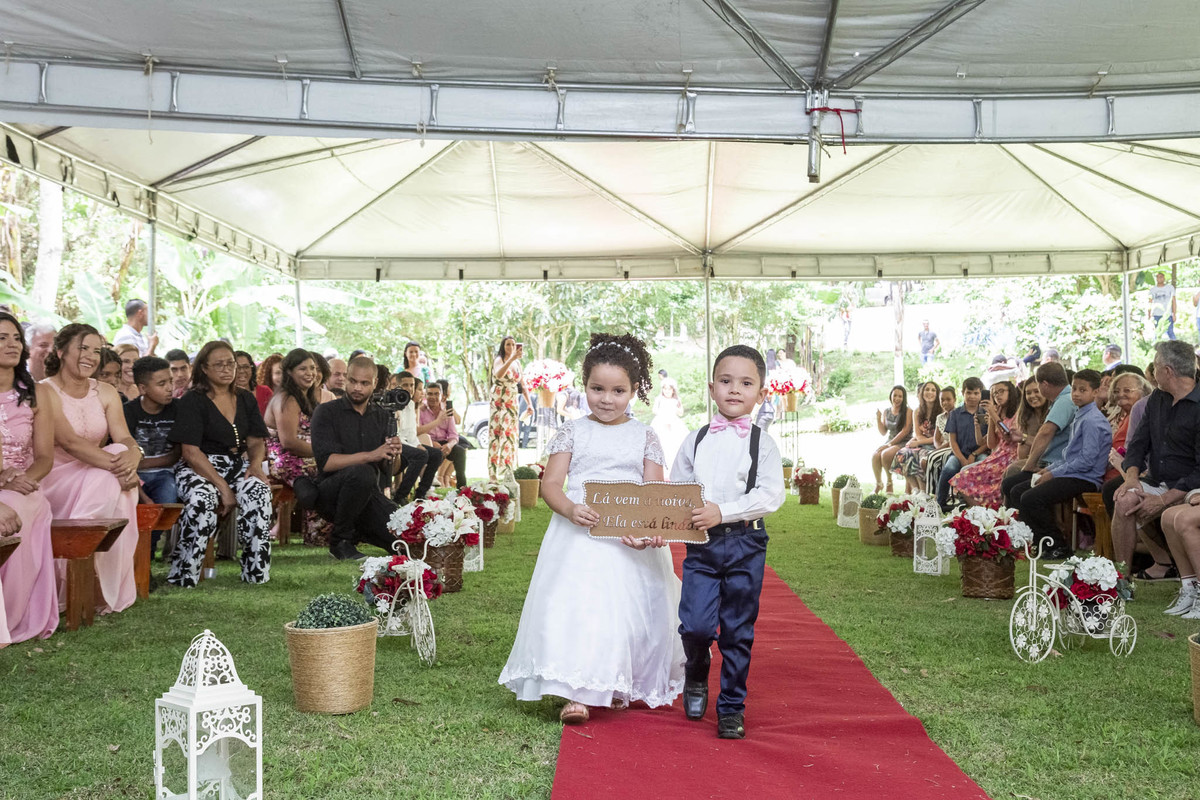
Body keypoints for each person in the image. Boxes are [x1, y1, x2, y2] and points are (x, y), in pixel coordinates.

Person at [499, 333, 683, 725]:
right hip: (578, 534)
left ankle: (613, 682)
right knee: (578, 608)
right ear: (584, 387)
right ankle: (576, 693)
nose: (606, 398)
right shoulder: (572, 431)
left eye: (618, 390)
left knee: (621, 613)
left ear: (634, 390)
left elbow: (654, 492)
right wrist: (569, 508)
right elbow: (550, 484)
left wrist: (646, 528)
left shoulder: (645, 436)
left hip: (626, 538)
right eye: (597, 388)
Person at [671, 344, 785, 740]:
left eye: (746, 382)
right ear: (711, 388)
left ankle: (732, 706)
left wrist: (726, 510)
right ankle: (697, 673)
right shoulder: (696, 439)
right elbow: (677, 489)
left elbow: (771, 496)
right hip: (700, 545)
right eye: (725, 381)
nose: (735, 389)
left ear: (761, 393)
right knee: (696, 625)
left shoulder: (763, 444)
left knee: (738, 629)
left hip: (745, 544)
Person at [39, 323, 141, 614]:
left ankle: (92, 577)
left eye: (96, 350)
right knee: (112, 479)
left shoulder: (106, 391)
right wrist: (122, 470)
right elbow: (69, 442)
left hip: (99, 476)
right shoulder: (44, 391)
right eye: (83, 348)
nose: (91, 356)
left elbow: (122, 437)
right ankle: (87, 578)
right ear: (61, 351)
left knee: (118, 455)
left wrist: (133, 455)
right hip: (56, 477)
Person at [167, 341, 273, 587]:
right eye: (219, 365)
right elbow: (191, 452)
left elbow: (257, 441)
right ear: (204, 368)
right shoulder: (192, 400)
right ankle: (184, 574)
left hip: (237, 465)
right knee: (203, 498)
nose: (227, 369)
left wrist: (255, 465)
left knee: (258, 491)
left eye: (230, 364)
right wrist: (223, 488)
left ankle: (255, 573)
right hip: (200, 466)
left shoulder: (245, 398)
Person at [1108, 340, 1200, 579]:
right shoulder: (1158, 398)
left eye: (1156, 366)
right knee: (1124, 499)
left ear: (1167, 371)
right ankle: (1122, 580)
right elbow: (1138, 443)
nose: (1153, 371)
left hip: (1193, 486)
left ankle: (1184, 577)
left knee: (1155, 504)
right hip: (1159, 479)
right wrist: (1130, 478)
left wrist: (1163, 500)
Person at [309, 355, 404, 560]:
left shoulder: (382, 416)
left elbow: (391, 470)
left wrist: (394, 453)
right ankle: (341, 541)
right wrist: (371, 455)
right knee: (363, 472)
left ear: (375, 383)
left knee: (404, 541)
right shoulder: (326, 412)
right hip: (330, 492)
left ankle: (362, 531)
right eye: (352, 381)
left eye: (364, 383)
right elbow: (326, 463)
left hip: (369, 495)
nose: (357, 388)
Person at [1009, 370, 1112, 558]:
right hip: (1072, 472)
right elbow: (1068, 456)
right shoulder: (1081, 414)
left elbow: (1086, 461)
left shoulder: (1093, 420)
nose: (1076, 394)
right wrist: (1048, 469)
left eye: (1083, 390)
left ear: (1096, 392)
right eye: (1074, 389)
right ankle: (1038, 543)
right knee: (1018, 491)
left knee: (1031, 498)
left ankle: (1058, 546)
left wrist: (1052, 474)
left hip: (1085, 477)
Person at [0, 311, 58, 642]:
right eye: (1, 338)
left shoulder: (38, 394)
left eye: (15, 338)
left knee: (16, 509)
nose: (11, 344)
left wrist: (23, 480)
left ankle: (12, 617)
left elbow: (46, 457)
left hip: (26, 484)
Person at [264, 349, 332, 547]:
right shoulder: (287, 399)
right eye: (303, 369)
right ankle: (317, 536)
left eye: (313, 368)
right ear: (290, 373)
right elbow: (289, 442)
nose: (310, 373)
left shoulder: (306, 397)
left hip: (306, 457)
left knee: (337, 471)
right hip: (283, 460)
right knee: (324, 474)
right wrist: (322, 453)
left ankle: (328, 534)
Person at [124, 356, 180, 558]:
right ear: (143, 388)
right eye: (162, 383)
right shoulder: (128, 412)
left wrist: (145, 462)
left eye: (170, 381)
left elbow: (176, 455)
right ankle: (136, 554)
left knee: (167, 498)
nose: (169, 388)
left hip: (165, 474)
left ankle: (148, 550)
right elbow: (124, 458)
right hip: (131, 476)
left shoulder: (178, 409)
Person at [1000, 362, 1076, 509]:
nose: (1034, 395)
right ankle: (1013, 525)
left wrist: (1029, 465)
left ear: (1045, 384)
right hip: (1051, 461)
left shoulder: (1065, 400)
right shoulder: (1061, 399)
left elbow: (1046, 432)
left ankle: (1034, 530)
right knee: (1010, 483)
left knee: (1016, 488)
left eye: (1037, 388)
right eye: (1028, 393)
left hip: (1058, 463)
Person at [948, 381, 1019, 506]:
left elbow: (1008, 435)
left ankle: (988, 514)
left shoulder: (1017, 413)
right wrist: (979, 425)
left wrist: (992, 414)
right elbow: (990, 443)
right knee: (960, 479)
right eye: (994, 393)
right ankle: (983, 513)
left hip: (1010, 458)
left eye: (1001, 391)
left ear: (1011, 392)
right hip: (998, 456)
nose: (997, 395)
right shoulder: (997, 412)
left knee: (964, 477)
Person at [936, 378, 986, 511]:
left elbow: (988, 441)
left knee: (980, 469)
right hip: (959, 453)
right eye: (969, 393)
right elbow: (952, 441)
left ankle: (974, 503)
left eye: (976, 393)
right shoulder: (955, 414)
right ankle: (939, 503)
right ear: (963, 393)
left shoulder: (985, 414)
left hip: (980, 453)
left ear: (981, 394)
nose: (972, 397)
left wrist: (974, 454)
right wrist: (963, 459)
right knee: (949, 469)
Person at [488, 336, 533, 486]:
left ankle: (508, 470)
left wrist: (529, 403)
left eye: (513, 344)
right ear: (503, 346)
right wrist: (511, 358)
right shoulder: (499, 359)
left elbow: (523, 384)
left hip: (512, 399)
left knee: (510, 435)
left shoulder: (518, 363)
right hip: (499, 398)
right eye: (508, 344)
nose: (511, 346)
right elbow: (498, 375)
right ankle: (492, 473)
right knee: (496, 434)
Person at [394, 371, 443, 503]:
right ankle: (400, 496)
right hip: (396, 443)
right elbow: (397, 434)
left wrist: (417, 444)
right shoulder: (394, 404)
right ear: (398, 386)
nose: (409, 388)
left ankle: (421, 494)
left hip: (408, 442)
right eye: (405, 385)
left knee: (436, 454)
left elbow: (411, 433)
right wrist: (415, 447)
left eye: (412, 385)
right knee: (421, 455)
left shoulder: (410, 404)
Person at [1102, 372, 1152, 483]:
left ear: (1143, 392)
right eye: (1116, 391)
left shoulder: (1143, 414)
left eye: (1127, 390)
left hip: (1131, 473)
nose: (1120, 394)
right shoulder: (1123, 416)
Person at [892, 381, 939, 493]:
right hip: (922, 442)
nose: (930, 392)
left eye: (933, 390)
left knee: (918, 455)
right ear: (922, 393)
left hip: (936, 445)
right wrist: (918, 442)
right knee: (902, 453)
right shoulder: (917, 411)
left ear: (937, 394)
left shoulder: (941, 410)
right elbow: (917, 434)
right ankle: (915, 490)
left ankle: (923, 492)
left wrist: (918, 443)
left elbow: (939, 438)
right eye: (927, 389)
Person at [418, 380, 466, 490]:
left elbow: (454, 435)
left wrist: (449, 445)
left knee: (460, 451)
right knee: (430, 452)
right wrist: (432, 443)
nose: (433, 397)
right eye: (430, 394)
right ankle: (425, 488)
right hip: (428, 443)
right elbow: (419, 432)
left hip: (444, 444)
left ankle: (462, 488)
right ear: (425, 395)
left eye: (436, 394)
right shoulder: (421, 410)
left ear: (442, 396)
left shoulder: (447, 410)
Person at [872, 386, 912, 494]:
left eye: (900, 396)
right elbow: (883, 432)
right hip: (890, 440)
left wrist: (889, 445)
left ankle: (889, 482)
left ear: (904, 398)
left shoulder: (908, 411)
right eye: (895, 395)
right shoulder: (887, 411)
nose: (897, 398)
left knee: (885, 454)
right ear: (891, 396)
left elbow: (905, 431)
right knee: (875, 455)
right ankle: (879, 484)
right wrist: (878, 419)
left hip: (904, 441)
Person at [1006, 379, 1050, 477]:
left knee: (1012, 470)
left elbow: (1050, 445)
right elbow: (1022, 452)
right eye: (1028, 393)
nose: (1032, 396)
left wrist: (1025, 438)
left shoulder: (1053, 413)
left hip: (1050, 460)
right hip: (1030, 461)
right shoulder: (1026, 417)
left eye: (1036, 391)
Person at [922, 387, 957, 493]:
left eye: (948, 399)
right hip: (943, 447)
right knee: (924, 461)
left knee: (936, 458)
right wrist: (938, 448)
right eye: (942, 400)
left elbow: (953, 440)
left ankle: (941, 493)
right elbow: (936, 439)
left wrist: (938, 450)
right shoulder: (940, 418)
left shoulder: (958, 415)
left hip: (954, 447)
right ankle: (935, 490)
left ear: (954, 399)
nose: (945, 402)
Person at [651, 378, 688, 479]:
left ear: (673, 390)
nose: (667, 391)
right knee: (662, 445)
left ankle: (674, 470)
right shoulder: (659, 399)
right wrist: (664, 415)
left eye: (669, 389)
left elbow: (681, 412)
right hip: (661, 423)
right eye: (665, 389)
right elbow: (654, 410)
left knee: (674, 446)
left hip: (673, 424)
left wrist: (675, 410)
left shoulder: (676, 400)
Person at [1149, 271, 1177, 341]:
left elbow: (1173, 301)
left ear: (1164, 278)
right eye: (1158, 277)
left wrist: (1174, 313)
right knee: (1157, 332)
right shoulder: (1152, 290)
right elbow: (1150, 302)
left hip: (1167, 314)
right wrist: (1149, 314)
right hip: (1156, 314)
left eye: (1161, 277)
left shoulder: (1170, 288)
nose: (1159, 279)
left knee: (1170, 332)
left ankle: (1175, 347)